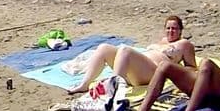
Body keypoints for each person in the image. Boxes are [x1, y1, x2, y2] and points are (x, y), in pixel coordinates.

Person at [66, 16, 196, 94]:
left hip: (153, 74)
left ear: (180, 31)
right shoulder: (163, 41)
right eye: (168, 28)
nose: (171, 31)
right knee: (103, 47)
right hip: (137, 72)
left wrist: (176, 70)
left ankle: (113, 90)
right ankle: (84, 85)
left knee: (125, 50)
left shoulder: (184, 44)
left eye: (174, 28)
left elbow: (192, 68)